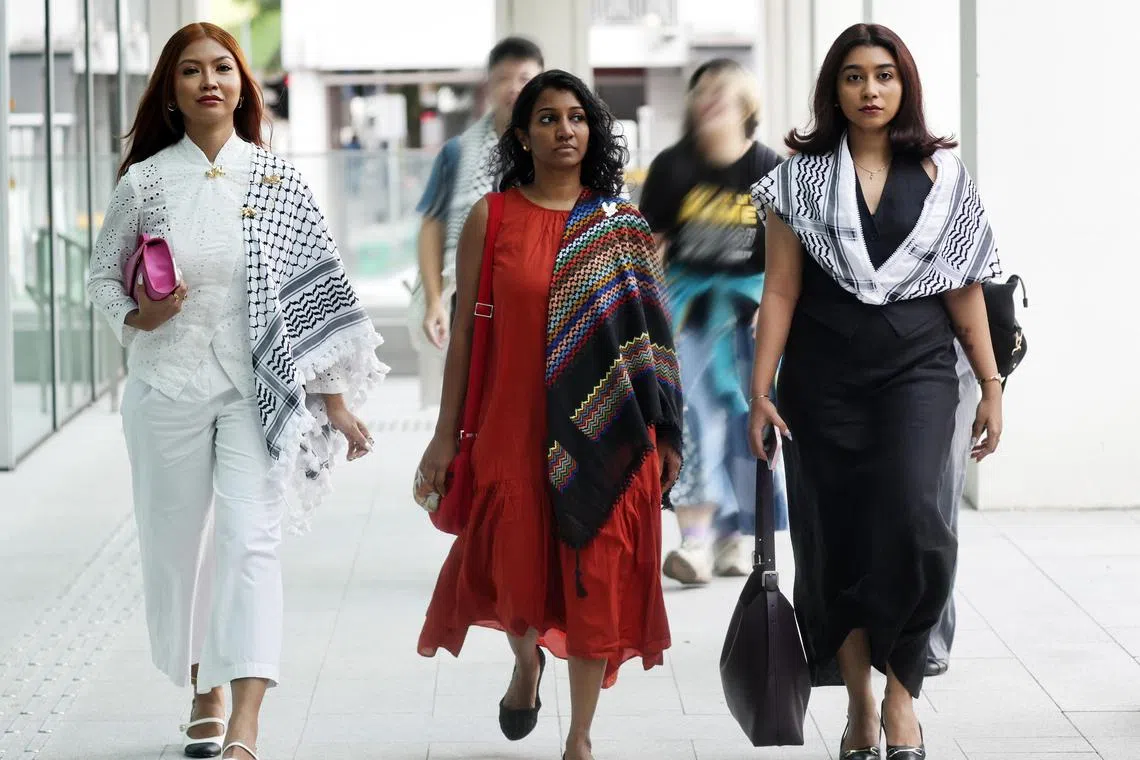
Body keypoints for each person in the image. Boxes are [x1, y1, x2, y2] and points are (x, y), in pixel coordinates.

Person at [86, 23, 387, 760]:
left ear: (243, 85)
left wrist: (335, 402)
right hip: (164, 387)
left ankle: (246, 726)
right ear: (173, 91)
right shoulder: (146, 182)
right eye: (191, 71)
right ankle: (203, 686)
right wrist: (139, 314)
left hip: (257, 393)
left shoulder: (279, 181)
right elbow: (99, 276)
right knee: (175, 551)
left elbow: (313, 299)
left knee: (249, 542)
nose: (209, 81)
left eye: (223, 67)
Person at [748, 23, 1003, 760]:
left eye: (885, 75)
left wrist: (990, 383)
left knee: (922, 523)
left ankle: (902, 696)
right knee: (836, 544)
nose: (870, 90)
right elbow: (781, 292)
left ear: (905, 84)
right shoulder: (796, 179)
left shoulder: (943, 176)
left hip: (918, 371)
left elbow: (965, 287)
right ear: (834, 88)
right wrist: (760, 391)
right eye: (855, 76)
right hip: (821, 380)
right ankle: (861, 704)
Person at [414, 70, 684, 760]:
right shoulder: (492, 217)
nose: (564, 130)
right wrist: (445, 438)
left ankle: (581, 738)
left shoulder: (619, 226)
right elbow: (469, 335)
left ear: (592, 131)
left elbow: (653, 335)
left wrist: (666, 432)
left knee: (596, 571)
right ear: (523, 136)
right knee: (519, 572)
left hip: (608, 431)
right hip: (514, 428)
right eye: (547, 118)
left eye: (576, 117)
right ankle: (527, 661)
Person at [639, 58, 787, 584]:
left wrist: (772, 312)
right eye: (702, 93)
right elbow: (651, 249)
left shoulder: (770, 167)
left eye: (723, 94)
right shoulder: (672, 167)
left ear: (747, 105)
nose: (709, 102)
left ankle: (737, 535)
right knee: (694, 423)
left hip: (750, 318)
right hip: (689, 317)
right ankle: (695, 542)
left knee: (748, 424)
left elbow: (786, 258)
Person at [413, 36, 544, 351]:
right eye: (503, 79)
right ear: (489, 85)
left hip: (537, 300)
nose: (514, 88)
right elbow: (432, 226)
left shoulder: (553, 148)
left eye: (524, 79)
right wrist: (434, 301)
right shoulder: (457, 152)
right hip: (470, 298)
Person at [926, 344, 978, 677]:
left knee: (940, 508)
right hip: (876, 359)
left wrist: (991, 384)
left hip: (956, 365)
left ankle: (931, 637)